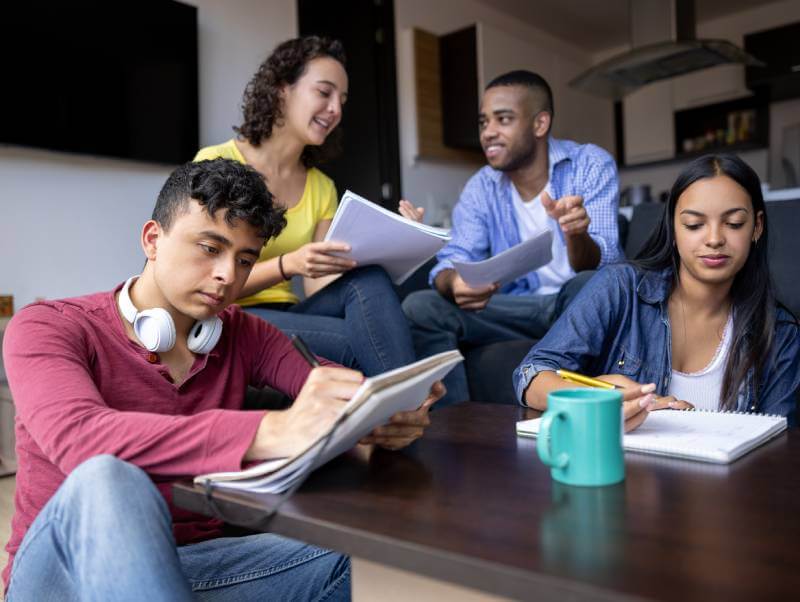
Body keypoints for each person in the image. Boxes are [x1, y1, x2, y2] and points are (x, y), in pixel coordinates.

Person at [2, 159, 442, 600]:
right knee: (108, 478)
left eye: (245, 259)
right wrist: (267, 431)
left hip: (191, 568)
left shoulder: (241, 332)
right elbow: (79, 439)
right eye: (211, 248)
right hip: (61, 577)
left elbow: (328, 385)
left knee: (368, 560)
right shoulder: (47, 327)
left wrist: (385, 409)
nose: (228, 276)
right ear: (153, 240)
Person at [514, 154, 800, 431]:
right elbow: (531, 375)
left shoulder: (781, 333)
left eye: (734, 223)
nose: (714, 239)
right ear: (673, 230)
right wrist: (601, 400)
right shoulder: (620, 287)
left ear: (756, 227)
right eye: (694, 225)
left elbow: (777, 448)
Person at [195, 36, 423, 376]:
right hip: (228, 314)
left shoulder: (322, 186)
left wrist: (395, 240)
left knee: (371, 280)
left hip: (291, 311)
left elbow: (318, 283)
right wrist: (288, 264)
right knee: (367, 344)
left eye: (342, 100)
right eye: (324, 92)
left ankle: (406, 406)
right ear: (282, 89)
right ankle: (411, 407)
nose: (336, 109)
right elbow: (203, 276)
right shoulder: (217, 162)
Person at [402, 70, 622, 405]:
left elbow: (601, 263)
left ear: (540, 124)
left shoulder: (589, 164)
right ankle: (453, 425)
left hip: (576, 304)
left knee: (588, 286)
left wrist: (576, 235)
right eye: (483, 122)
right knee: (421, 306)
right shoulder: (482, 187)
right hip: (518, 308)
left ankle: (577, 405)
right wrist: (455, 284)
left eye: (503, 119)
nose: (488, 132)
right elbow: (450, 262)